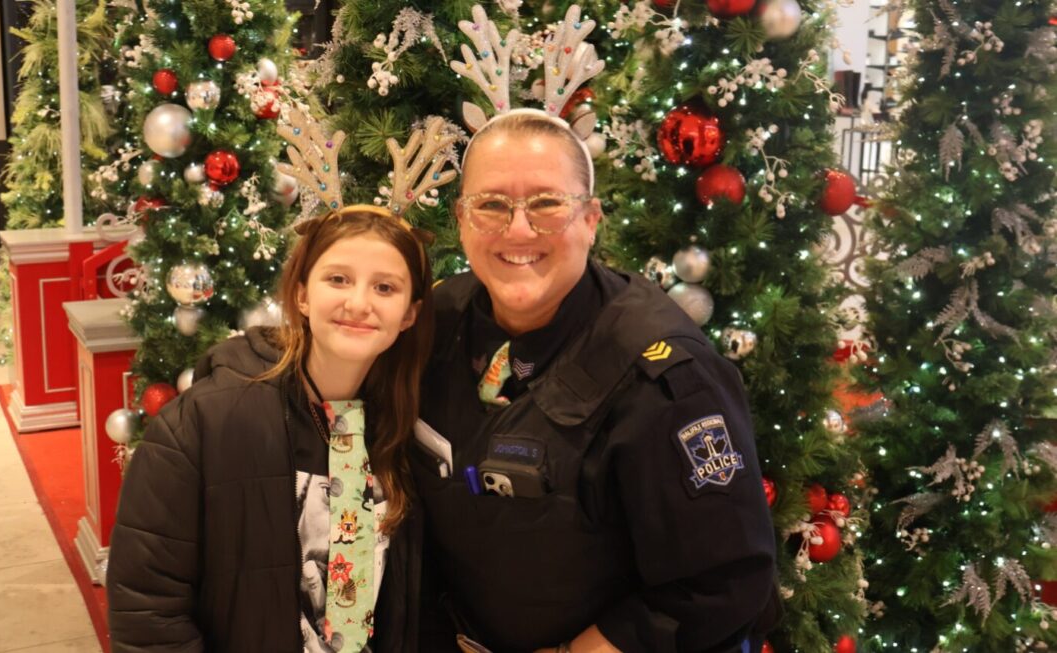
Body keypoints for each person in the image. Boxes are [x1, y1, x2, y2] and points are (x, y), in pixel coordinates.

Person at [412, 110, 778, 653]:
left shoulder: (665, 377)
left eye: (547, 204)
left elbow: (722, 582)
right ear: (462, 219)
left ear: (590, 219)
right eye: (491, 205)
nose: (518, 229)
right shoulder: (433, 322)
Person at [107, 206, 434, 652]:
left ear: (410, 313)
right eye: (338, 279)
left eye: (385, 287)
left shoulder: (400, 425)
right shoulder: (206, 419)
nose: (359, 303)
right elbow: (147, 608)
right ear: (301, 295)